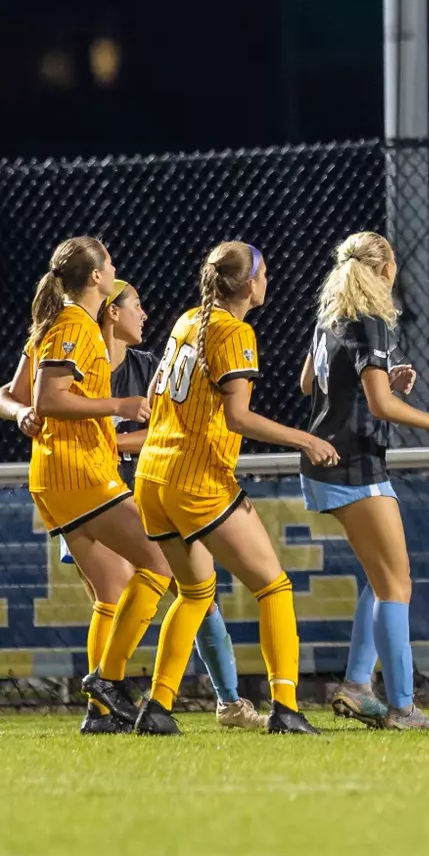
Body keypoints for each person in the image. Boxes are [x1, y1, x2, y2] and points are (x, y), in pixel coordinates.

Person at [131, 241, 340, 735]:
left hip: (152, 478)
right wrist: (306, 439)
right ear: (249, 282)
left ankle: (156, 707)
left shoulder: (188, 320)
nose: (268, 280)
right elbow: (237, 416)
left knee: (196, 591)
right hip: (195, 480)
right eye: (264, 272)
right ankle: (286, 709)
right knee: (274, 586)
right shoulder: (235, 330)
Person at [0, 239, 176, 735]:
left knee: (113, 591)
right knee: (159, 563)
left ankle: (101, 713)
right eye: (110, 263)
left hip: (65, 473)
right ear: (95, 278)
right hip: (79, 472)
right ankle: (108, 681)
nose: (115, 269)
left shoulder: (58, 325)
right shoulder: (74, 326)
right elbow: (49, 399)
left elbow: (19, 397)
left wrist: (24, 409)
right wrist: (120, 405)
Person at [300, 233, 429, 729]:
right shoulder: (372, 321)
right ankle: (403, 708)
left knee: (380, 578)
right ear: (386, 268)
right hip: (355, 465)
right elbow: (380, 408)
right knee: (397, 583)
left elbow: (311, 384)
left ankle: (355, 686)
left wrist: (382, 382)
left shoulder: (332, 319)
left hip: (331, 460)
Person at [104, 279, 262, 729]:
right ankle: (108, 695)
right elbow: (11, 398)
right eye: (135, 305)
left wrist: (114, 444)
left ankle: (226, 700)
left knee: (197, 596)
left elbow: (162, 425)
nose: (145, 315)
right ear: (112, 312)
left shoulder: (153, 364)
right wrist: (23, 413)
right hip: (98, 493)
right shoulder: (78, 363)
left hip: (144, 487)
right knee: (117, 595)